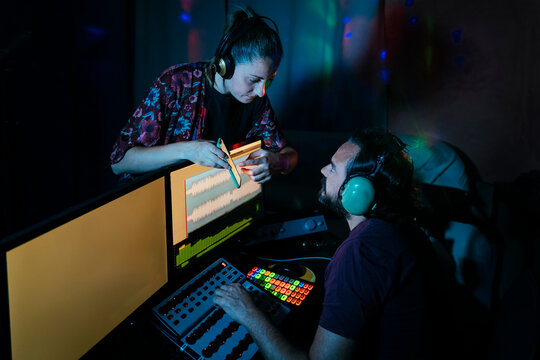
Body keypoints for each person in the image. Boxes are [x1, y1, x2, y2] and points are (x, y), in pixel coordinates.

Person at [214, 127, 453, 359]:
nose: (323, 169)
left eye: (334, 168)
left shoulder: (361, 253)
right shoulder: (405, 228)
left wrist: (250, 314)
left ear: (358, 192)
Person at [110, 7, 297, 183]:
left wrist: (279, 162)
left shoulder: (256, 101)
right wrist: (188, 150)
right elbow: (119, 162)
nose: (261, 91)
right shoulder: (177, 83)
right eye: (254, 79)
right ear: (227, 64)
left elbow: (289, 154)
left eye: (268, 81)